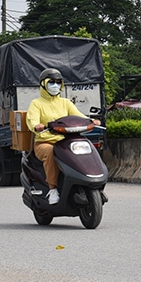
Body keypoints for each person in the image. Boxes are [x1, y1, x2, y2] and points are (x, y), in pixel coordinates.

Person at [27, 68, 98, 205]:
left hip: (65, 142)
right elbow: (32, 120)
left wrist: (90, 121)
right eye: (51, 82)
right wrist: (37, 125)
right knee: (50, 152)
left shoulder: (65, 102)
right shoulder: (36, 104)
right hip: (45, 142)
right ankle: (53, 189)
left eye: (58, 82)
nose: (55, 86)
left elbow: (77, 116)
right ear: (43, 84)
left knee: (86, 147)